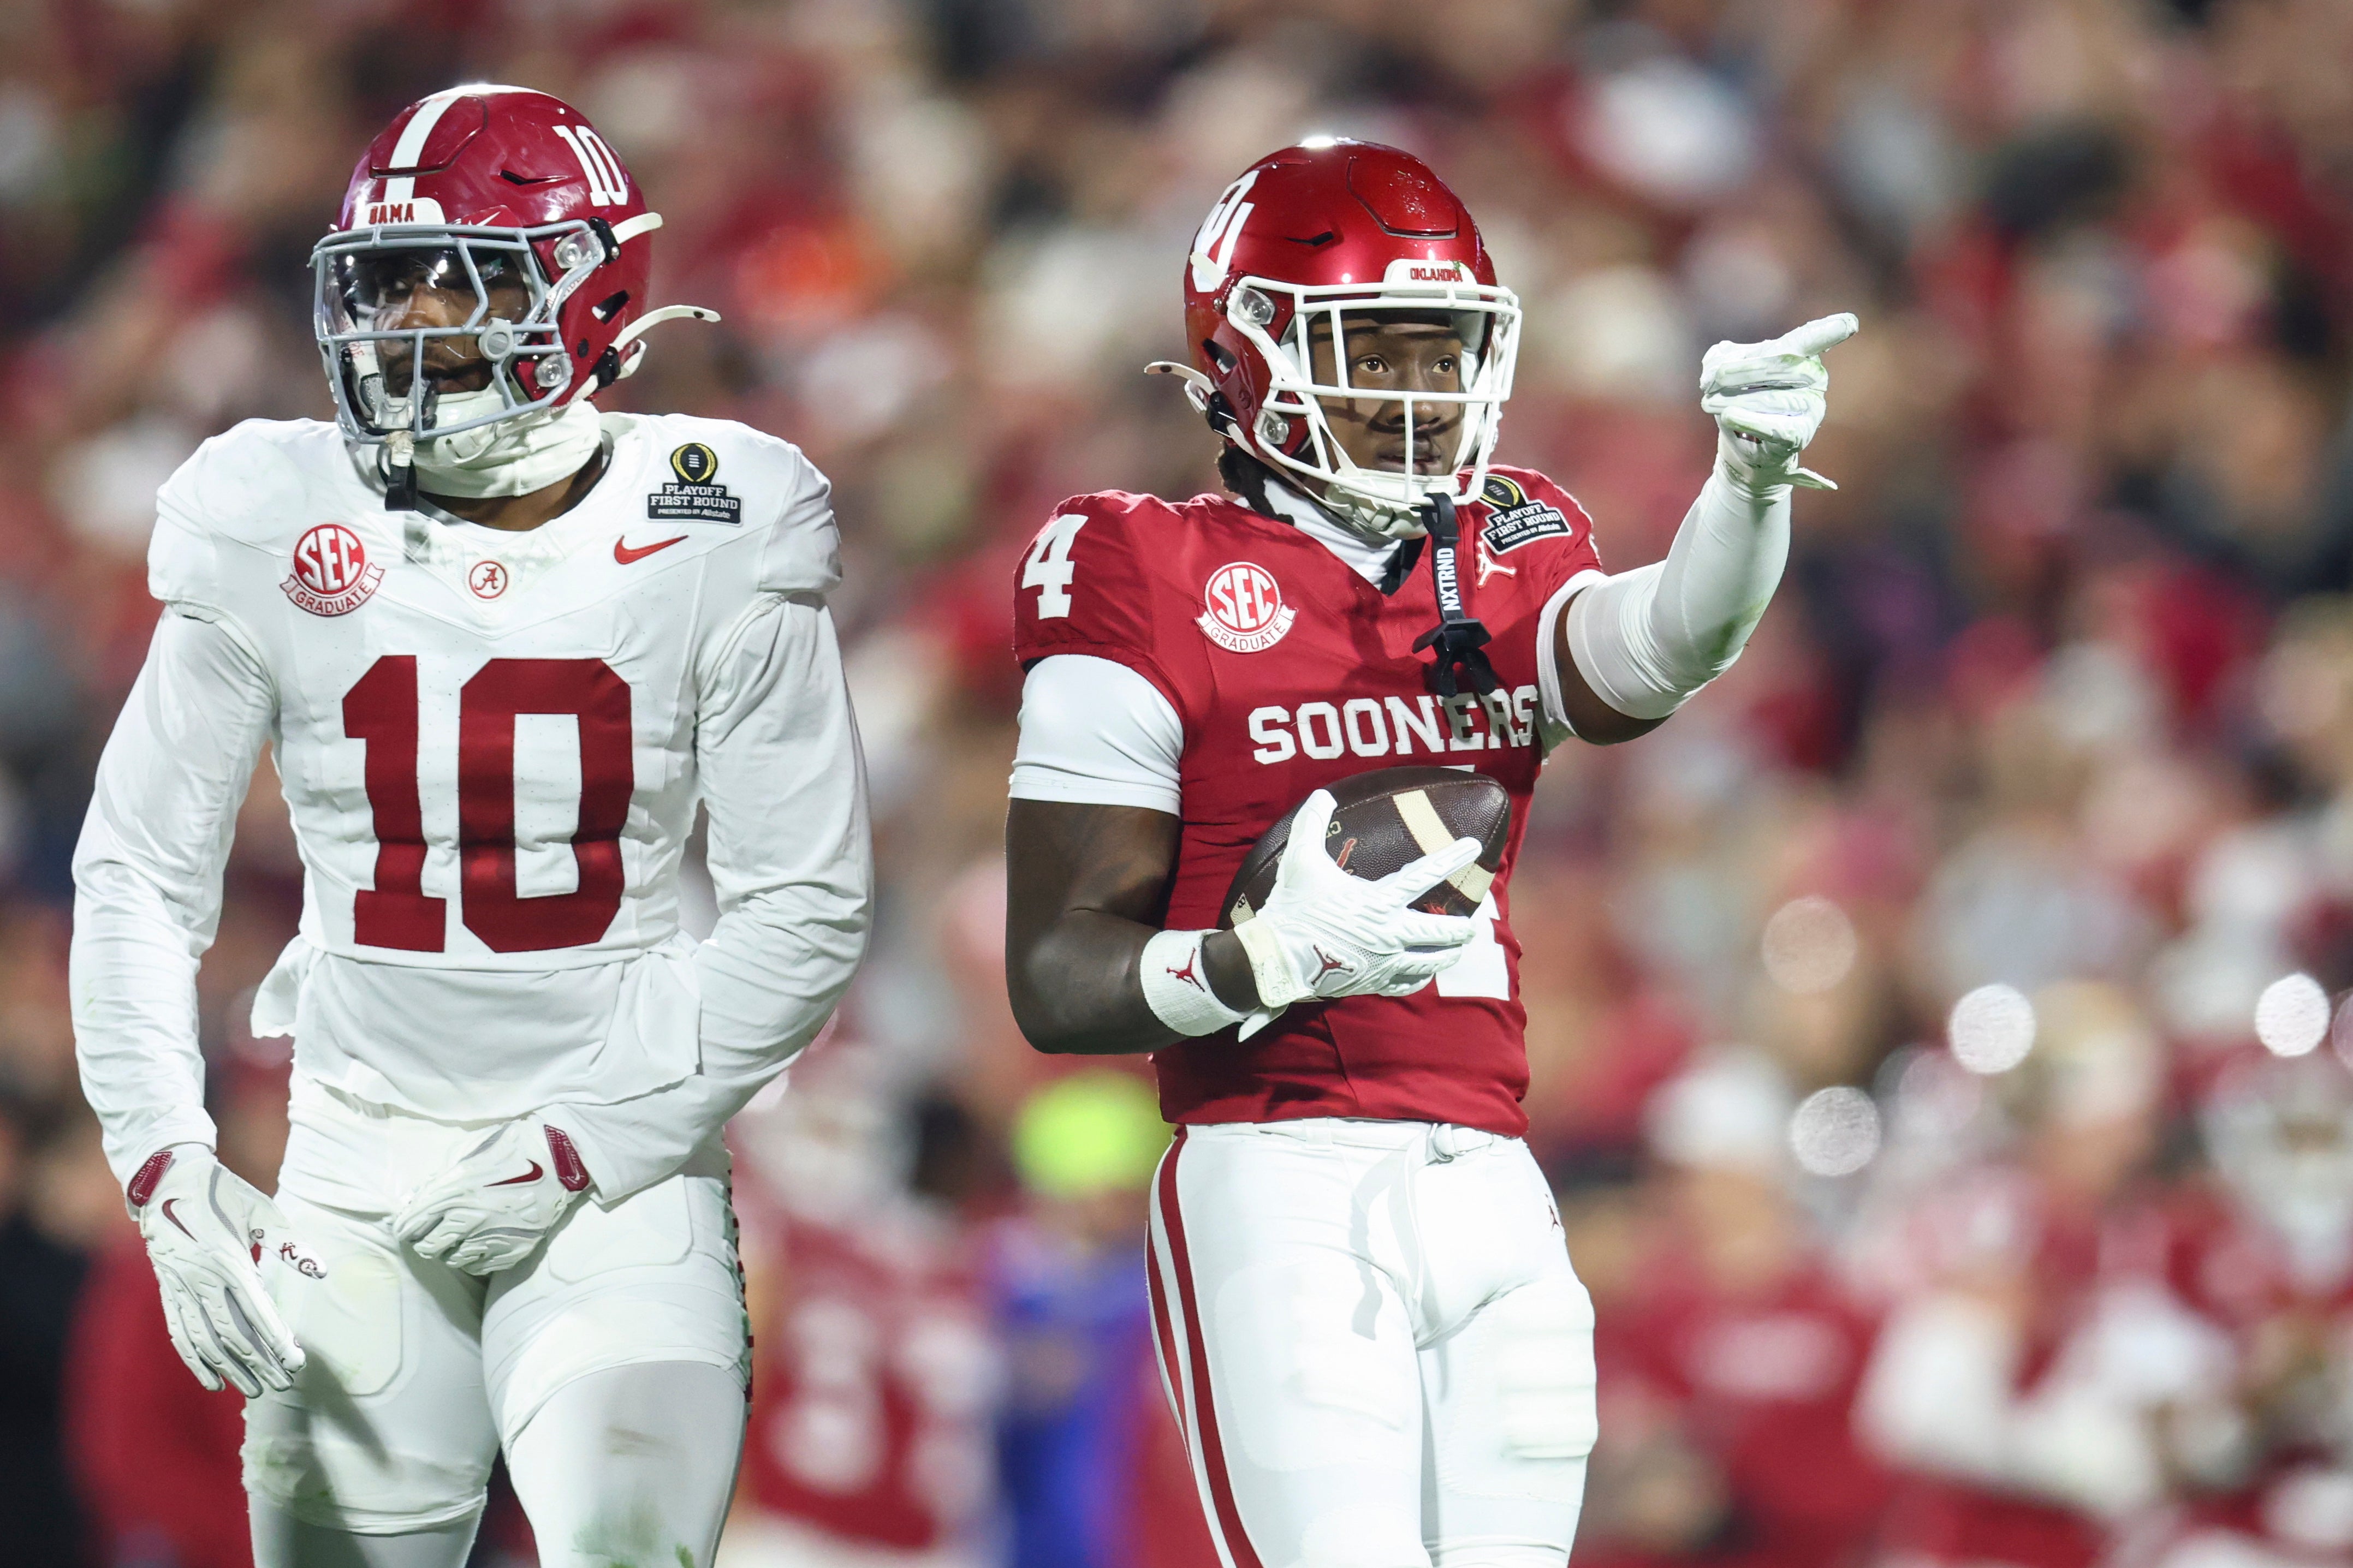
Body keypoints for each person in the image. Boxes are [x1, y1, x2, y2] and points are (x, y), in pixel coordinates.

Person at [1001, 138, 1853, 1568]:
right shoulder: (1141, 566)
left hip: (1496, 1178)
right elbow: (1055, 974)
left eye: (1438, 351)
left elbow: (1654, 648)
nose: (1416, 392)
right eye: (1373, 350)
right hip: (1276, 1161)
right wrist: (1256, 956)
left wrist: (1751, 489)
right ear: (1247, 347)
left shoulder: (1504, 542)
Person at [69, 84, 871, 1568]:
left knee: (633, 1544)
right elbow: (135, 871)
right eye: (388, 281)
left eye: (467, 277)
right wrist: (165, 1155)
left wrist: (594, 1141)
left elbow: (805, 905)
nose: (414, 321)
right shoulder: (268, 506)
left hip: (618, 1167)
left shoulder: (719, 513)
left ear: (594, 288)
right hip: (357, 1161)